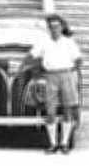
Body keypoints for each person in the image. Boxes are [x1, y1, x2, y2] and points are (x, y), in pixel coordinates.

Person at [20, 14, 82, 154]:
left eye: (57, 27)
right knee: (50, 109)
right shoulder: (43, 42)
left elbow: (78, 59)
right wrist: (23, 64)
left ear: (61, 28)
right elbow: (32, 55)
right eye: (52, 27)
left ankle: (65, 143)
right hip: (50, 76)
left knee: (67, 108)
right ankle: (53, 144)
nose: (55, 29)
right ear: (49, 29)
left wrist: (72, 71)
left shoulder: (68, 42)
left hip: (66, 74)